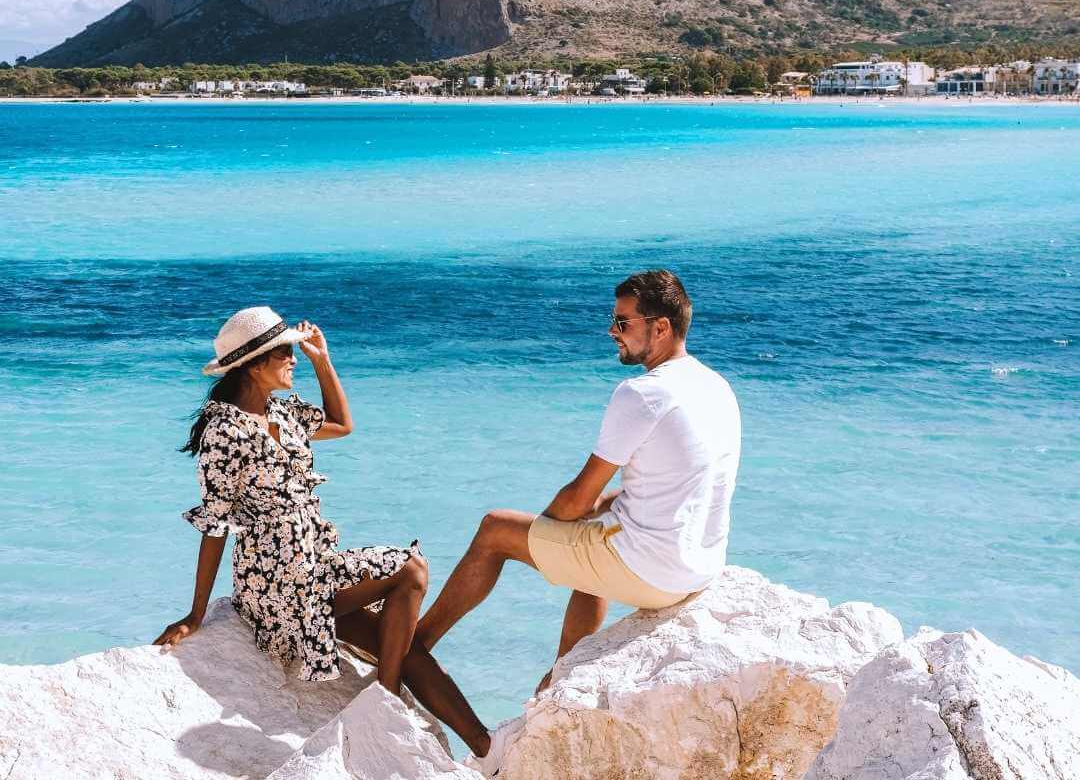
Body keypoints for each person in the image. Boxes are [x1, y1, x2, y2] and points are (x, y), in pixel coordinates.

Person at [154, 306, 514, 774]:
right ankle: (383, 704)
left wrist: (324, 360)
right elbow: (215, 523)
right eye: (285, 353)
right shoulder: (225, 431)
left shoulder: (280, 412)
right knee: (409, 570)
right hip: (278, 586)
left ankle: (487, 751)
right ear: (253, 364)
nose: (293, 360)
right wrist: (196, 613)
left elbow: (342, 425)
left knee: (403, 648)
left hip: (315, 569)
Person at [415, 270, 741, 697]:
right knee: (588, 542)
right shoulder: (716, 387)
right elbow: (681, 482)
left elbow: (577, 496)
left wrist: (548, 527)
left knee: (496, 529)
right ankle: (561, 677)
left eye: (624, 323)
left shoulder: (641, 393)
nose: (612, 331)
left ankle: (414, 647)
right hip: (699, 568)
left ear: (660, 327)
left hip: (652, 572)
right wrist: (598, 508)